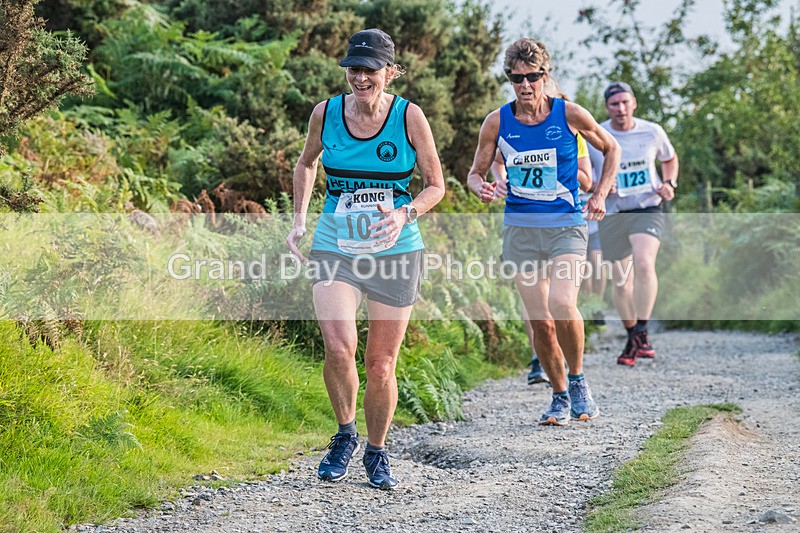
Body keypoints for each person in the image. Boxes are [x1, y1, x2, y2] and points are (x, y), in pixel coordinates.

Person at [286, 28, 445, 488]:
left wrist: (404, 213)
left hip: (396, 250)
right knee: (339, 347)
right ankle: (344, 434)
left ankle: (376, 450)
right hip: (336, 244)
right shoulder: (326, 113)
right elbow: (307, 162)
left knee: (381, 365)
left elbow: (436, 185)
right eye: (353, 69)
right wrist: (299, 219)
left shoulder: (409, 116)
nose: (360, 78)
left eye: (370, 70)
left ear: (389, 72)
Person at [468, 38, 620, 425]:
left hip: (566, 226)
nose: (525, 85)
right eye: (516, 78)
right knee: (540, 321)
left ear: (545, 75)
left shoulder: (569, 114)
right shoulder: (497, 121)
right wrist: (482, 187)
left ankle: (579, 380)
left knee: (562, 303)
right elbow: (475, 173)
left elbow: (612, 148)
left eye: (532, 77)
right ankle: (559, 394)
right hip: (520, 230)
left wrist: (600, 194)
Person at [490, 77, 594, 386]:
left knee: (560, 301)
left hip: (562, 221)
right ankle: (541, 355)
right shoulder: (512, 128)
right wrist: (502, 179)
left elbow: (587, 179)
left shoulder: (573, 134)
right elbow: (498, 162)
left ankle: (571, 370)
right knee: (537, 304)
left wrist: (556, 165)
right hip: (524, 224)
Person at [586, 82, 678, 367]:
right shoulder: (596, 134)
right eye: (615, 104)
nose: (621, 109)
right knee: (621, 282)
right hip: (612, 212)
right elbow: (583, 173)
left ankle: (642, 330)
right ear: (607, 108)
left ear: (634, 103)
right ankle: (632, 335)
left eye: (625, 102)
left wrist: (669, 183)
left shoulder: (652, 131)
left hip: (646, 207)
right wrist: (600, 186)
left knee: (644, 264)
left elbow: (669, 158)